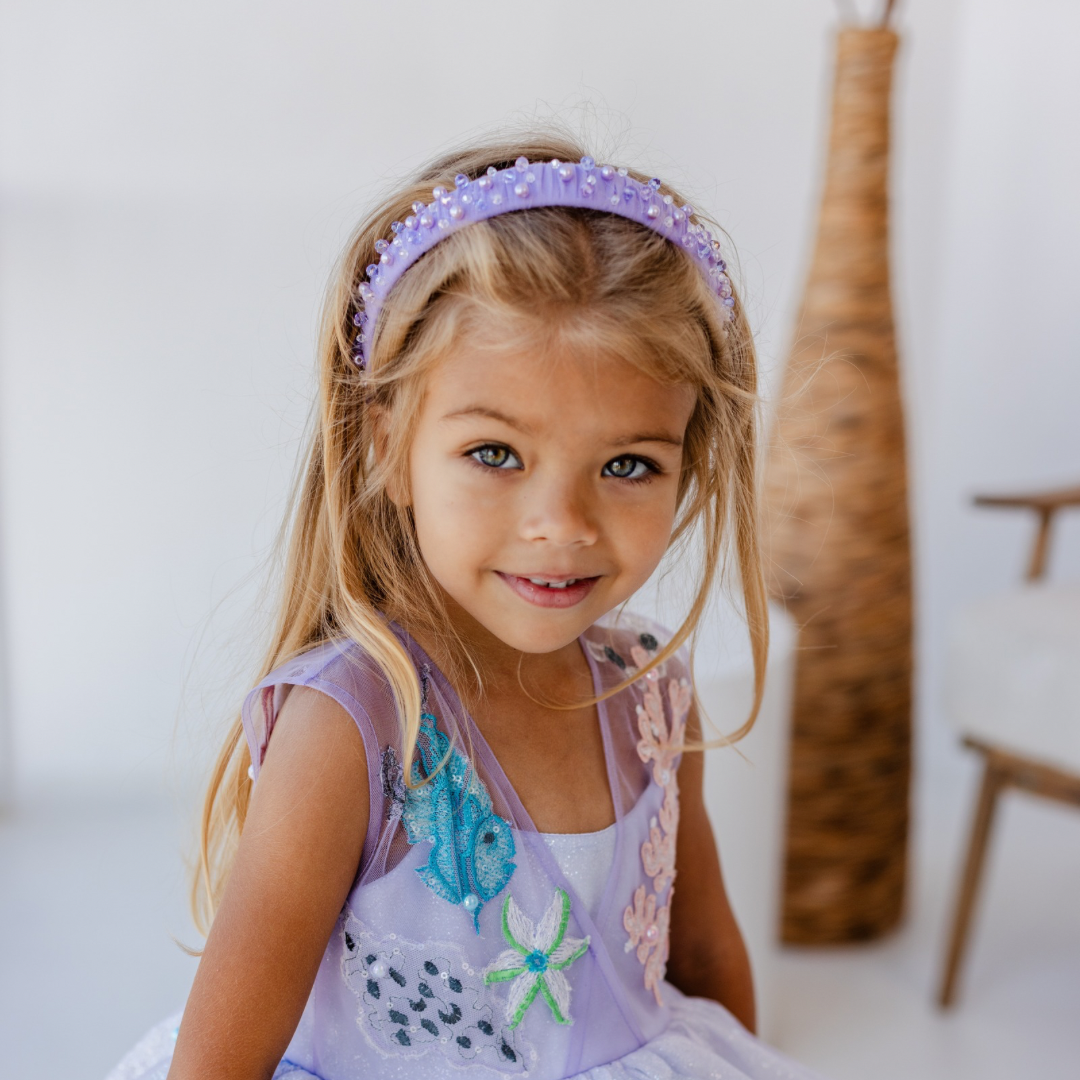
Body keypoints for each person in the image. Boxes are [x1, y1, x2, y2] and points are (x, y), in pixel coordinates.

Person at [108, 132, 823, 1080]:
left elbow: (702, 961)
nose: (561, 524)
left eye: (627, 465)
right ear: (386, 445)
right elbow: (216, 1065)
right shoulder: (353, 729)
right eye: (496, 454)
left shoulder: (653, 693)